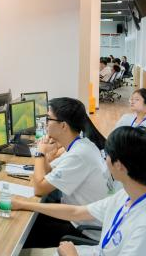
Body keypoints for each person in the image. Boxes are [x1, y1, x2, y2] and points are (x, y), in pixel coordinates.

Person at [5, 127, 146, 256]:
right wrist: (23, 204)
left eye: (108, 155)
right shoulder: (127, 194)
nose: (105, 160)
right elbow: (77, 212)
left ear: (119, 165)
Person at [23, 97, 110, 248]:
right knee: (30, 216)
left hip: (84, 230)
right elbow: (49, 172)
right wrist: (46, 155)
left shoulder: (79, 154)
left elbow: (39, 189)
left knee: (24, 229)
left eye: (48, 119)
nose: (45, 123)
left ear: (63, 125)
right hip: (77, 216)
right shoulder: (81, 144)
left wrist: (40, 153)